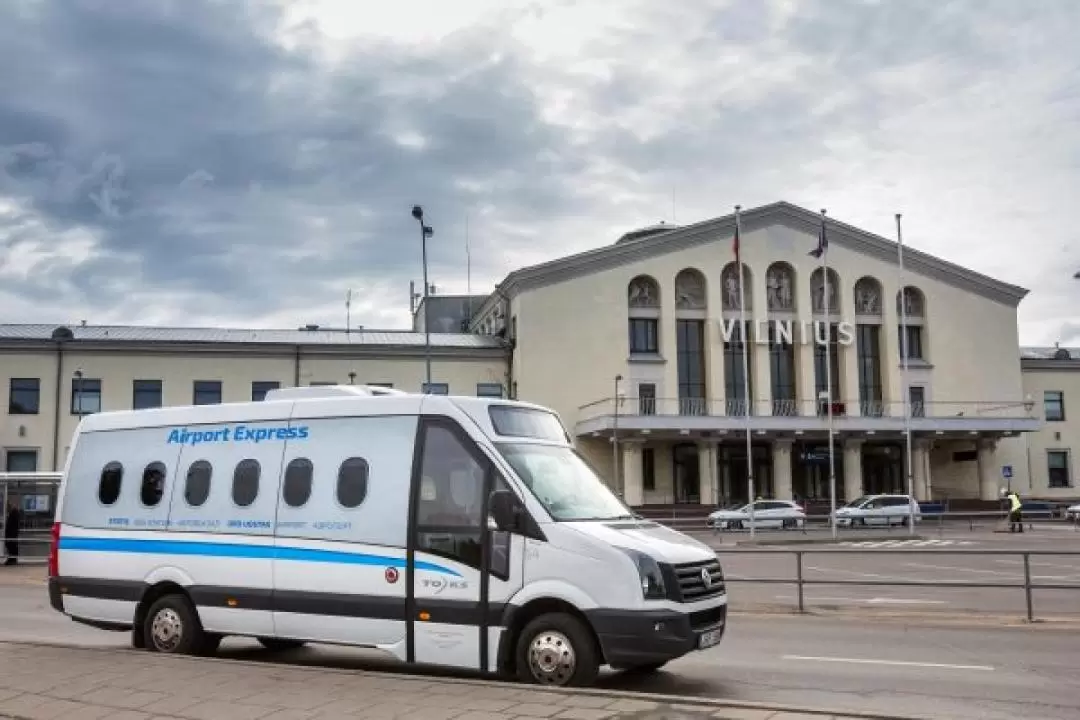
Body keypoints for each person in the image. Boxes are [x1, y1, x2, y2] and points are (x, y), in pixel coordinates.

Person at [3, 500, 20, 566]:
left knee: (12, 546)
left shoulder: (14, 512)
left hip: (12, 534)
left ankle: (13, 559)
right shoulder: (11, 512)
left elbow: (15, 524)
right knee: (10, 546)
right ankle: (11, 559)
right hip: (11, 533)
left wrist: (14, 533)